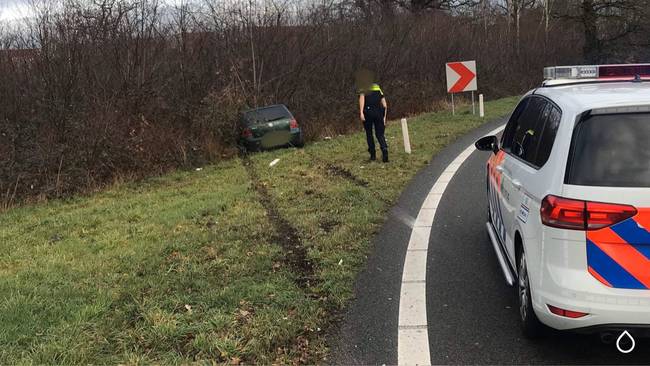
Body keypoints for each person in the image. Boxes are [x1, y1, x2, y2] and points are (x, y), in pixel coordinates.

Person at [359, 83, 389, 162]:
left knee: (369, 133)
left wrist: (361, 112)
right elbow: (385, 105)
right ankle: (384, 148)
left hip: (368, 112)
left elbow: (362, 99)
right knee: (380, 134)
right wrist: (384, 117)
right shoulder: (377, 87)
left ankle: (373, 155)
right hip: (378, 112)